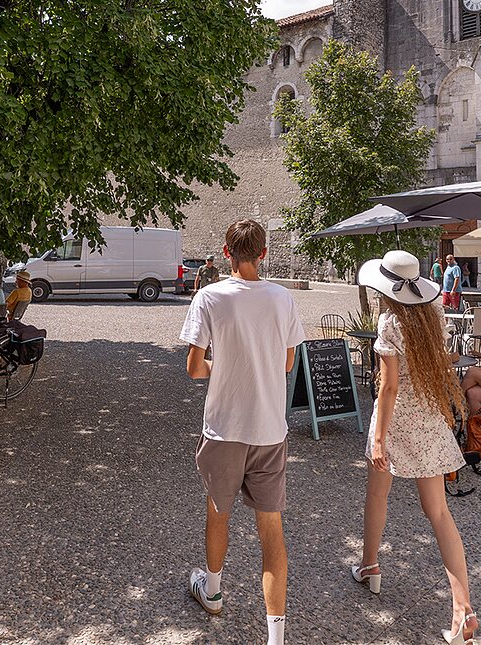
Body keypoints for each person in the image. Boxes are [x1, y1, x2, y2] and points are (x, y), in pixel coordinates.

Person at [179, 219, 305, 645]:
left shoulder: (209, 297)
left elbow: (195, 368)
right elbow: (288, 365)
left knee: (219, 511)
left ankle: (212, 591)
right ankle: (275, 637)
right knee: (271, 529)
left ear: (226, 251)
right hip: (269, 428)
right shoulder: (282, 298)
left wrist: (223, 367)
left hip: (225, 427)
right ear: (265, 253)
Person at [351, 249, 478, 645]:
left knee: (377, 493)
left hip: (397, 417)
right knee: (439, 513)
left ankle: (370, 564)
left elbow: (388, 386)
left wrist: (378, 436)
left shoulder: (389, 322)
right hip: (427, 416)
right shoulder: (433, 315)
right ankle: (463, 610)